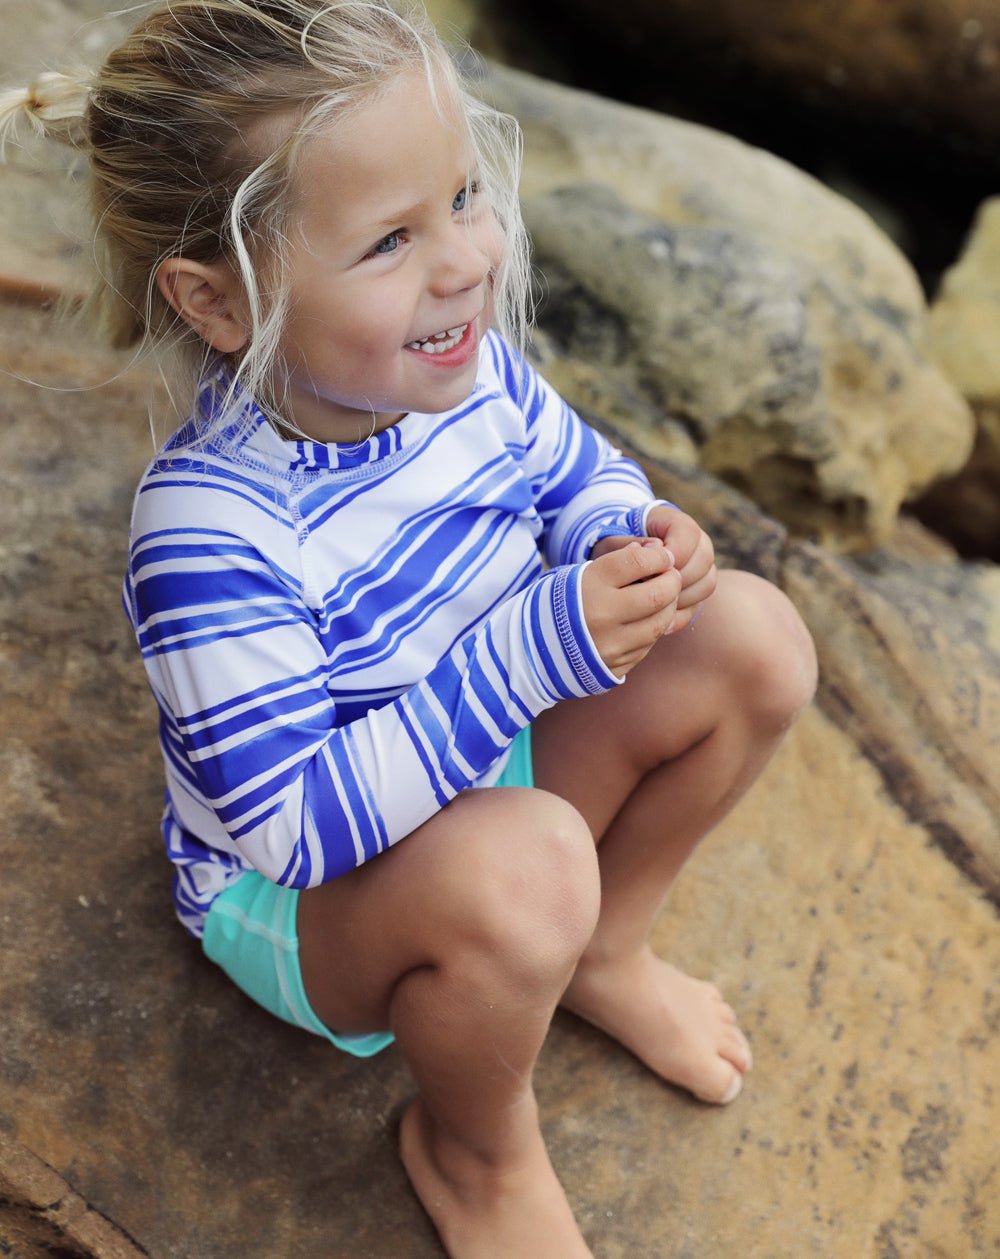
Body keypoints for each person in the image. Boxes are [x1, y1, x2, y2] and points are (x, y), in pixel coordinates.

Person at [1, 3, 818, 1254]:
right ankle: (475, 1148)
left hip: (487, 774)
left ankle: (602, 948)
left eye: (463, 197)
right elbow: (296, 830)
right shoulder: (210, 533)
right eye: (389, 239)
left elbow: (576, 475)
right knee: (527, 865)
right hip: (317, 897)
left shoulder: (462, 372)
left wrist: (629, 534)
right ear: (217, 302)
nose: (464, 261)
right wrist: (531, 653)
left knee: (752, 637)